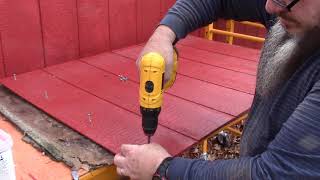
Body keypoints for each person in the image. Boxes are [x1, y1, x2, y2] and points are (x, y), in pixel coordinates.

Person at [114, 0, 320, 179]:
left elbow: (273, 174)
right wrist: (164, 34)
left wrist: (161, 168)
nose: (269, 6)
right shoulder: (296, 13)